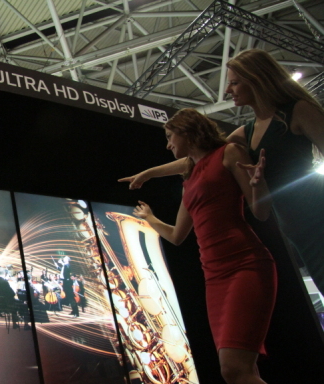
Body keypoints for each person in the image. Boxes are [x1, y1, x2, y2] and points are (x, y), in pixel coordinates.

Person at [132, 108, 294, 384]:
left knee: (234, 369)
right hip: (214, 278)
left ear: (186, 131)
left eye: (169, 136)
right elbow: (178, 236)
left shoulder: (229, 153)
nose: (167, 144)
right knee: (241, 371)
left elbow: (260, 212)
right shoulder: (189, 176)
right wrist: (150, 219)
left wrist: (259, 185)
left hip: (245, 265)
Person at [119, 49, 324, 296]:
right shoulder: (245, 134)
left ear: (256, 79)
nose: (228, 91)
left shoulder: (298, 111)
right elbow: (202, 160)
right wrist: (149, 173)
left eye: (235, 83)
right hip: (294, 227)